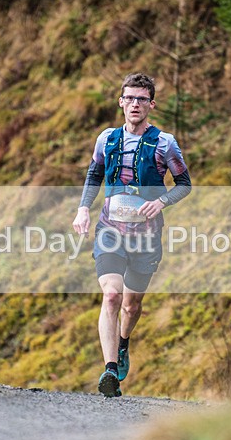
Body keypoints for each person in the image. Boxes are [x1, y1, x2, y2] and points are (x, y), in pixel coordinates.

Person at [73, 73, 191, 397]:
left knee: (131, 305)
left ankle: (123, 344)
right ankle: (110, 371)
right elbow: (94, 173)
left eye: (142, 99)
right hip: (111, 228)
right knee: (111, 295)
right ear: (121, 101)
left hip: (146, 236)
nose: (135, 104)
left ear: (151, 104)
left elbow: (185, 184)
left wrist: (161, 201)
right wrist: (84, 208)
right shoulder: (106, 139)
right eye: (130, 98)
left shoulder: (165, 143)